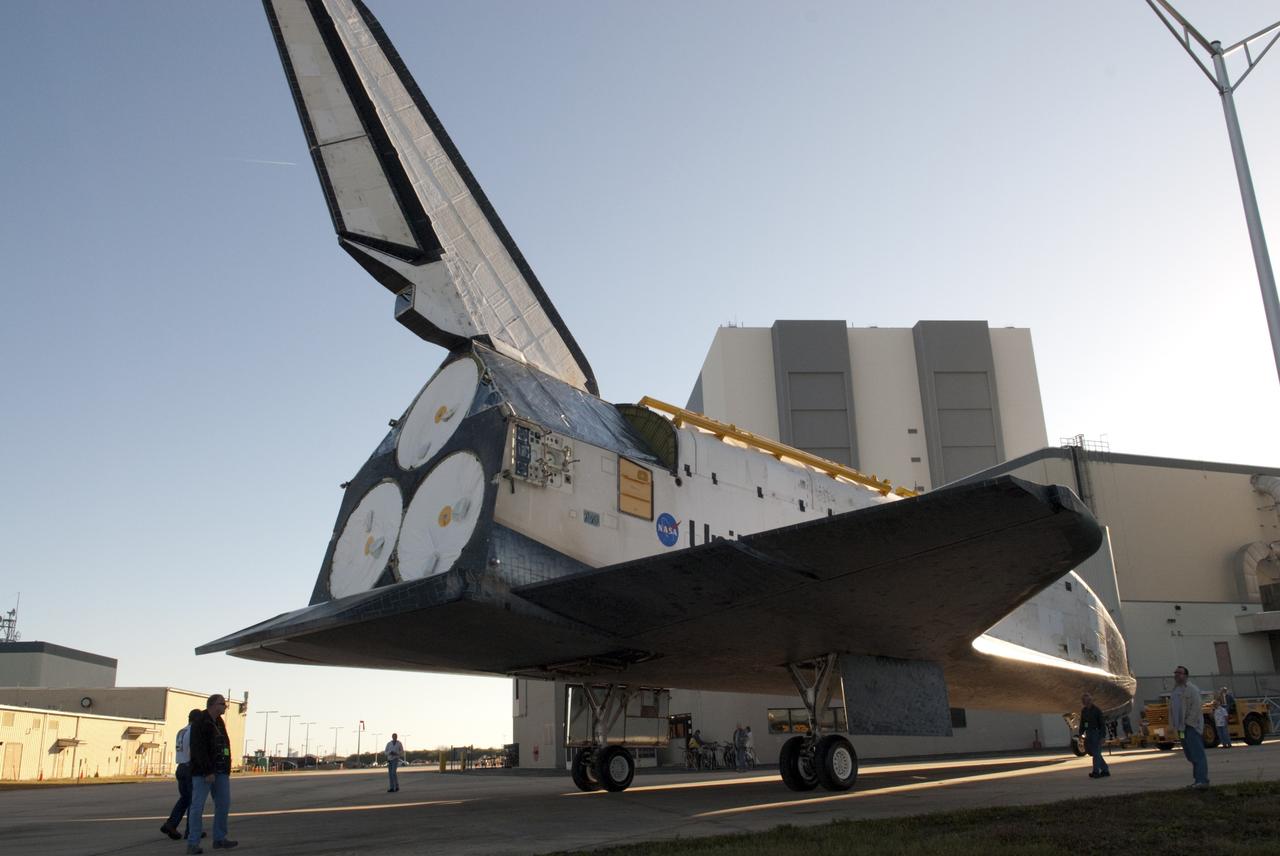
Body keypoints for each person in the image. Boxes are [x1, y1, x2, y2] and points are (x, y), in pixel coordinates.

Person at [188, 694, 237, 852]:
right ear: (212, 705)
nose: (225, 707)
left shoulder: (219, 722)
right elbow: (198, 748)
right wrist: (207, 770)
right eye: (222, 704)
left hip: (221, 772)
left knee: (224, 804)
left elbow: (225, 744)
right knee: (197, 806)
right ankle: (193, 843)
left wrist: (227, 767)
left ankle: (220, 838)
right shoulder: (200, 722)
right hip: (204, 773)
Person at [160, 709, 203, 841]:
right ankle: (191, 830)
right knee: (194, 801)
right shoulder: (194, 731)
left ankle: (171, 824)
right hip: (190, 767)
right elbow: (194, 750)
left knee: (185, 798)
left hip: (180, 767)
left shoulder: (181, 731)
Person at [1170, 665, 1209, 788]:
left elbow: (1196, 707)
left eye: (1180, 673)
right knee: (1189, 753)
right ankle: (1197, 779)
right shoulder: (1175, 690)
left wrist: (1189, 723)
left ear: (1186, 675)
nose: (1177, 675)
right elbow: (1173, 709)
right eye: (1175, 673)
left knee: (1197, 753)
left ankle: (1202, 780)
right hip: (1181, 729)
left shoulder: (1192, 689)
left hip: (1191, 727)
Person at [1079, 692, 1109, 779]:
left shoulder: (1097, 710)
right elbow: (1084, 723)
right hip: (1089, 733)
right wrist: (1081, 732)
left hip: (1097, 733)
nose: (1086, 702)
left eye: (1088, 700)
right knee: (1095, 753)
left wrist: (1103, 736)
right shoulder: (1084, 711)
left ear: (1091, 700)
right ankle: (1105, 770)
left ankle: (1096, 772)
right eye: (1084, 701)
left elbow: (1102, 724)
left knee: (1096, 753)